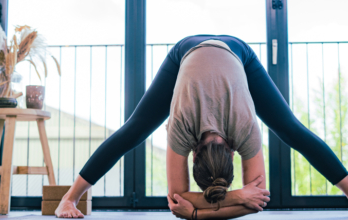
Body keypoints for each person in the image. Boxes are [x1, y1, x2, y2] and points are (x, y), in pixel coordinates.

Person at [54, 35, 348, 219]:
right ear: (231, 153)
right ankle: (68, 197)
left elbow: (250, 201)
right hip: (188, 54)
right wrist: (235, 199)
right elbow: (182, 201)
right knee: (134, 129)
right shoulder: (203, 127)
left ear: (194, 154)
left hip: (232, 53)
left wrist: (197, 213)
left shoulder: (237, 128)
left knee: (290, 128)